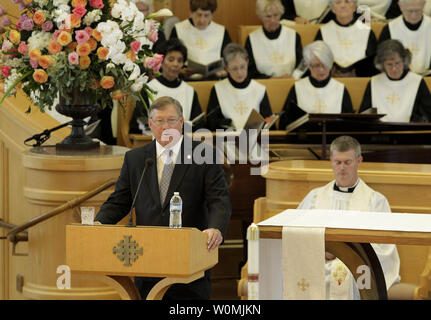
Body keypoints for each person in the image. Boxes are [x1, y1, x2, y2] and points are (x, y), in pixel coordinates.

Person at [95, 96, 232, 300]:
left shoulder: (204, 155)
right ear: (150, 124)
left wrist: (215, 228)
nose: (165, 126)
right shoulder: (136, 159)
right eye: (159, 121)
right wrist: (99, 222)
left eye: (171, 120)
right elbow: (119, 201)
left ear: (181, 123)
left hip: (189, 262)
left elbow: (219, 199)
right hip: (146, 260)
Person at [297, 135, 401, 300]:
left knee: (352, 278)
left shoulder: (375, 201)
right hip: (318, 261)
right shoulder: (315, 197)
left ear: (359, 161)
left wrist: (342, 253)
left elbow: (384, 247)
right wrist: (320, 250)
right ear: (331, 161)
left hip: (354, 267)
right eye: (338, 162)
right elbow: (298, 234)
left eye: (347, 162)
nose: (342, 168)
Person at [129, 39, 205, 134]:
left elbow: (199, 126)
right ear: (161, 62)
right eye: (171, 59)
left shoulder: (189, 91)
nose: (175, 64)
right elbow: (137, 125)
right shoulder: (149, 89)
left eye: (180, 60)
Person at [279, 41, 354, 129]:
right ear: (308, 65)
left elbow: (350, 124)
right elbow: (284, 123)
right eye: (316, 65)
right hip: (304, 140)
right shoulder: (297, 88)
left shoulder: (340, 89)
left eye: (325, 65)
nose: (321, 70)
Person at [206, 43, 274, 131]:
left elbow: (268, 121)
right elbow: (212, 122)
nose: (239, 73)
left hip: (254, 140)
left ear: (247, 62)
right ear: (226, 68)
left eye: (242, 67)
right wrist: (231, 124)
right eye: (234, 68)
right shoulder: (218, 89)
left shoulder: (259, 89)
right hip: (226, 140)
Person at [359, 39, 431, 122]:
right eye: (389, 64)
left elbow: (427, 115)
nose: (394, 69)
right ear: (382, 64)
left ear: (404, 61)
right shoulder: (374, 82)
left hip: (410, 132)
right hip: (379, 132)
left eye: (397, 63)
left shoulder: (417, 81)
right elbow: (364, 115)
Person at [315, 0, 378, 77]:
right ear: (332, 9)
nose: (343, 6)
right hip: (331, 78)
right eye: (338, 2)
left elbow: (373, 61)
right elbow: (317, 59)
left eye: (347, 2)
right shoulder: (323, 31)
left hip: (359, 79)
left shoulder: (367, 31)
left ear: (355, 7)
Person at [170, 0, 231, 80]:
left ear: (212, 15)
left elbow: (229, 59)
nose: (202, 20)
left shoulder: (221, 31)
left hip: (214, 80)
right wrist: (180, 71)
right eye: (199, 15)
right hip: (186, 80)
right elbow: (170, 57)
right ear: (191, 13)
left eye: (206, 15)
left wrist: (224, 71)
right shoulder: (178, 29)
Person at [245, 0, 303, 79]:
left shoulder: (293, 36)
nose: (272, 20)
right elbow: (249, 71)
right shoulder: (251, 39)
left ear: (281, 14)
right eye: (268, 16)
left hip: (290, 83)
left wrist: (293, 77)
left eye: (276, 15)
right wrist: (271, 79)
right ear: (260, 16)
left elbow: (301, 66)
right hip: (264, 86)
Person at [378, 0, 431, 75]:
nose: (413, 15)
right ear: (400, 6)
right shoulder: (389, 29)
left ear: (424, 5)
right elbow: (382, 60)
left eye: (417, 10)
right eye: (409, 11)